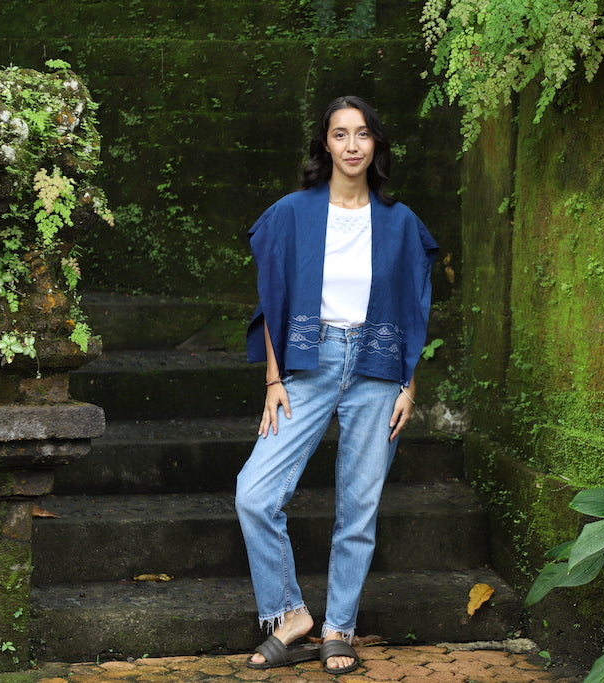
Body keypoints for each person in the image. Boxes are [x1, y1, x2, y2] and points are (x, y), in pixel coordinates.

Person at [234, 95, 438, 675]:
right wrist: (274, 377)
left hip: (377, 368)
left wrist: (409, 385)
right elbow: (272, 301)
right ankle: (289, 613)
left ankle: (339, 628)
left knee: (359, 507)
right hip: (309, 359)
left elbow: (412, 309)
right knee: (255, 492)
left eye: (363, 134)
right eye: (340, 134)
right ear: (325, 143)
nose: (352, 145)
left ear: (376, 144)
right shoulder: (292, 213)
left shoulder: (400, 224)